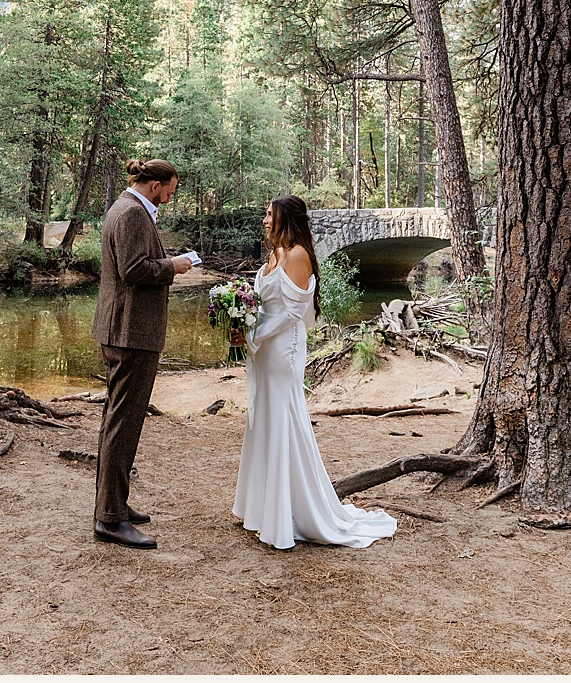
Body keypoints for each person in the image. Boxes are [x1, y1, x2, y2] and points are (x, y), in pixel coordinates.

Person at [232, 195, 398, 549]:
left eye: (269, 214)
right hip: (264, 349)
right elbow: (265, 305)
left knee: (282, 421)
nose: (264, 220)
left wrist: (251, 333)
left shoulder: (297, 256)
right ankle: (263, 509)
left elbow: (293, 314)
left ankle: (291, 515)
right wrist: (241, 324)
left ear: (285, 219)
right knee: (263, 420)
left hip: (282, 351)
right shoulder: (275, 254)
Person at [90, 158, 199, 549]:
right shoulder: (133, 213)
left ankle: (113, 504)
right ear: (155, 185)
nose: (172, 194)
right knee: (122, 424)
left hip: (123, 331)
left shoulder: (127, 208)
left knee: (117, 422)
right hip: (130, 333)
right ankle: (110, 519)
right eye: (171, 187)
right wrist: (175, 265)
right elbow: (133, 270)